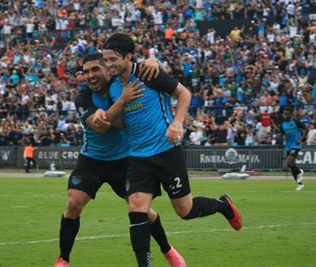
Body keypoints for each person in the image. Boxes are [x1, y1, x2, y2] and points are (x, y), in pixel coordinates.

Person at [100, 33, 241, 267]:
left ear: (128, 57)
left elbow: (184, 93)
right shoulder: (113, 87)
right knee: (137, 209)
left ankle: (222, 205)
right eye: (106, 60)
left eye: (113, 59)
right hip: (137, 157)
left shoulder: (148, 73)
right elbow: (118, 121)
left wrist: (177, 123)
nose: (109, 64)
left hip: (166, 151)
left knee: (184, 210)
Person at [55, 54, 186, 267]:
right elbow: (101, 126)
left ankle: (168, 250)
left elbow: (138, 67)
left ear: (107, 69)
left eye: (95, 69)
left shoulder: (123, 84)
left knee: (142, 210)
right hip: (92, 159)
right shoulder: (83, 98)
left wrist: (154, 61)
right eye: (86, 72)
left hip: (124, 159)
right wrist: (122, 101)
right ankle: (63, 260)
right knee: (73, 203)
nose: (90, 75)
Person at [279, 109, 308, 191]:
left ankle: (299, 172)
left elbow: (307, 129)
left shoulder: (296, 122)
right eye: (284, 114)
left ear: (290, 115)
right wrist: (279, 136)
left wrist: (301, 139)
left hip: (296, 145)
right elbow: (281, 134)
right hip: (288, 146)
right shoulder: (283, 124)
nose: (285, 116)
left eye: (286, 114)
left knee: (288, 162)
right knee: (291, 165)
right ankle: (299, 184)